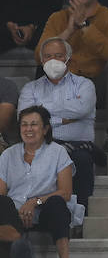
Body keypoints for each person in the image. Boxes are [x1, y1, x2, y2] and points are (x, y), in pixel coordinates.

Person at [37, 0, 108, 158]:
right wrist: (70, 30)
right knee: (44, 73)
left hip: (97, 86)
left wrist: (85, 26)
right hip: (65, 86)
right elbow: (39, 54)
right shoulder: (58, 18)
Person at [0, 106, 76, 258]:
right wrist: (15, 209)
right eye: (24, 125)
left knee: (57, 203)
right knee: (2, 203)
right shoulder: (8, 155)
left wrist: (35, 202)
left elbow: (65, 192)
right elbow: (2, 193)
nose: (28, 129)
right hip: (15, 212)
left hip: (45, 209)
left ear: (45, 128)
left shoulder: (57, 152)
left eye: (34, 124)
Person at [20, 38, 97, 207]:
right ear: (41, 61)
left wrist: (43, 113)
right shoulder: (30, 88)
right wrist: (65, 119)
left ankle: (82, 218)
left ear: (68, 57)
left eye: (58, 55)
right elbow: (25, 118)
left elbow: (82, 109)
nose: (53, 60)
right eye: (48, 56)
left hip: (77, 146)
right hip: (43, 146)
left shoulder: (85, 85)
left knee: (82, 161)